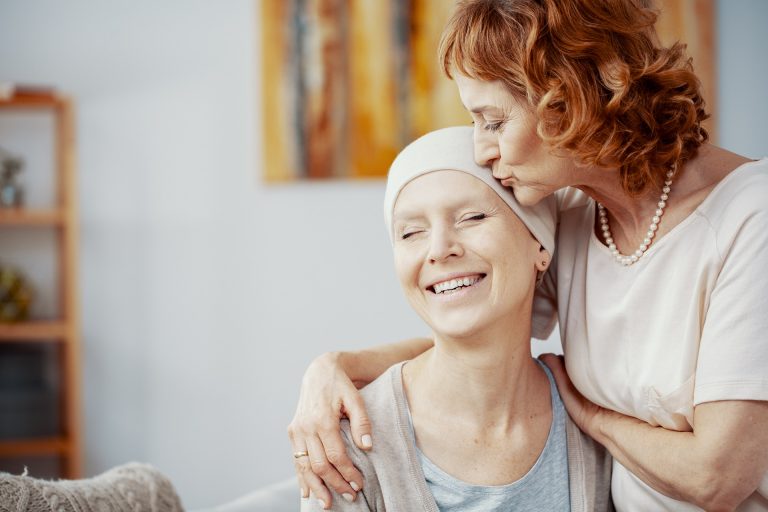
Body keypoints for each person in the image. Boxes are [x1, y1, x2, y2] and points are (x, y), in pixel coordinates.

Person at [288, 0, 768, 510]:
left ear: (567, 100)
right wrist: (333, 369)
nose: (482, 151)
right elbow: (481, 345)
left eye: (492, 122)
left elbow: (717, 476)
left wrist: (590, 415)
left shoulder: (749, 219)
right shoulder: (577, 212)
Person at [299, 126, 612, 511]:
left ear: (540, 246)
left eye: (472, 217)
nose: (439, 249)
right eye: (411, 232)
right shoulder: (347, 443)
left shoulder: (599, 417)